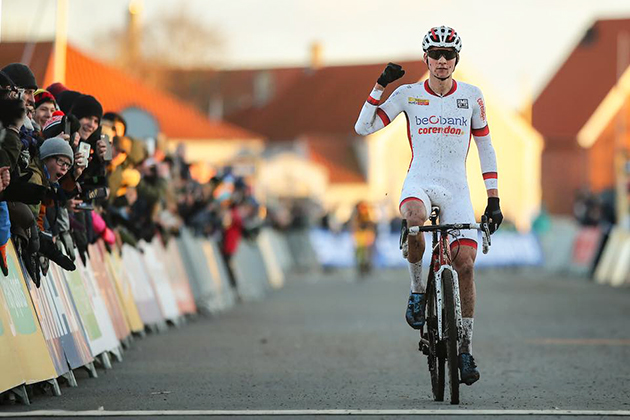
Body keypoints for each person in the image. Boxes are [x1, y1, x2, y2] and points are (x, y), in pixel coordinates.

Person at [354, 25, 503, 386]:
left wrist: (494, 199)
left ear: (456, 59)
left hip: (457, 190)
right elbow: (363, 128)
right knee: (416, 220)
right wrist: (379, 86)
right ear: (426, 58)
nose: (441, 60)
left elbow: (485, 147)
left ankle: (465, 349)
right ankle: (418, 292)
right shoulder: (408, 93)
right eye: (434, 53)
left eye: (448, 54)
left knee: (465, 264)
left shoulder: (471, 96)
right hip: (419, 182)